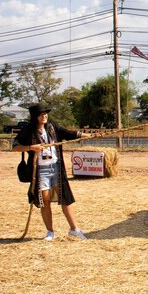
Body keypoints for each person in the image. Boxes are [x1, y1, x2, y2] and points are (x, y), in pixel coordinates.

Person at [13, 103, 96, 241]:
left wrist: (88, 135)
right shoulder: (28, 130)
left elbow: (69, 134)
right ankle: (50, 232)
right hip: (40, 171)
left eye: (45, 113)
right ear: (35, 116)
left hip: (56, 168)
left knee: (65, 198)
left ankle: (74, 229)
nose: (44, 116)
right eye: (41, 114)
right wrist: (31, 147)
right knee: (44, 200)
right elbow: (15, 146)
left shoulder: (52, 127)